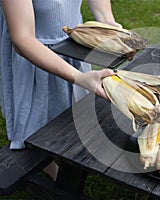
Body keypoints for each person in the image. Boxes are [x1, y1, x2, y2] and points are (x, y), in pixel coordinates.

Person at [0, 0, 122, 181]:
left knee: (72, 109)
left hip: (72, 45)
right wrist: (80, 78)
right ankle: (45, 163)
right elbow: (22, 39)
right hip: (35, 53)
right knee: (35, 116)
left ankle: (65, 156)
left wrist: (107, 21)